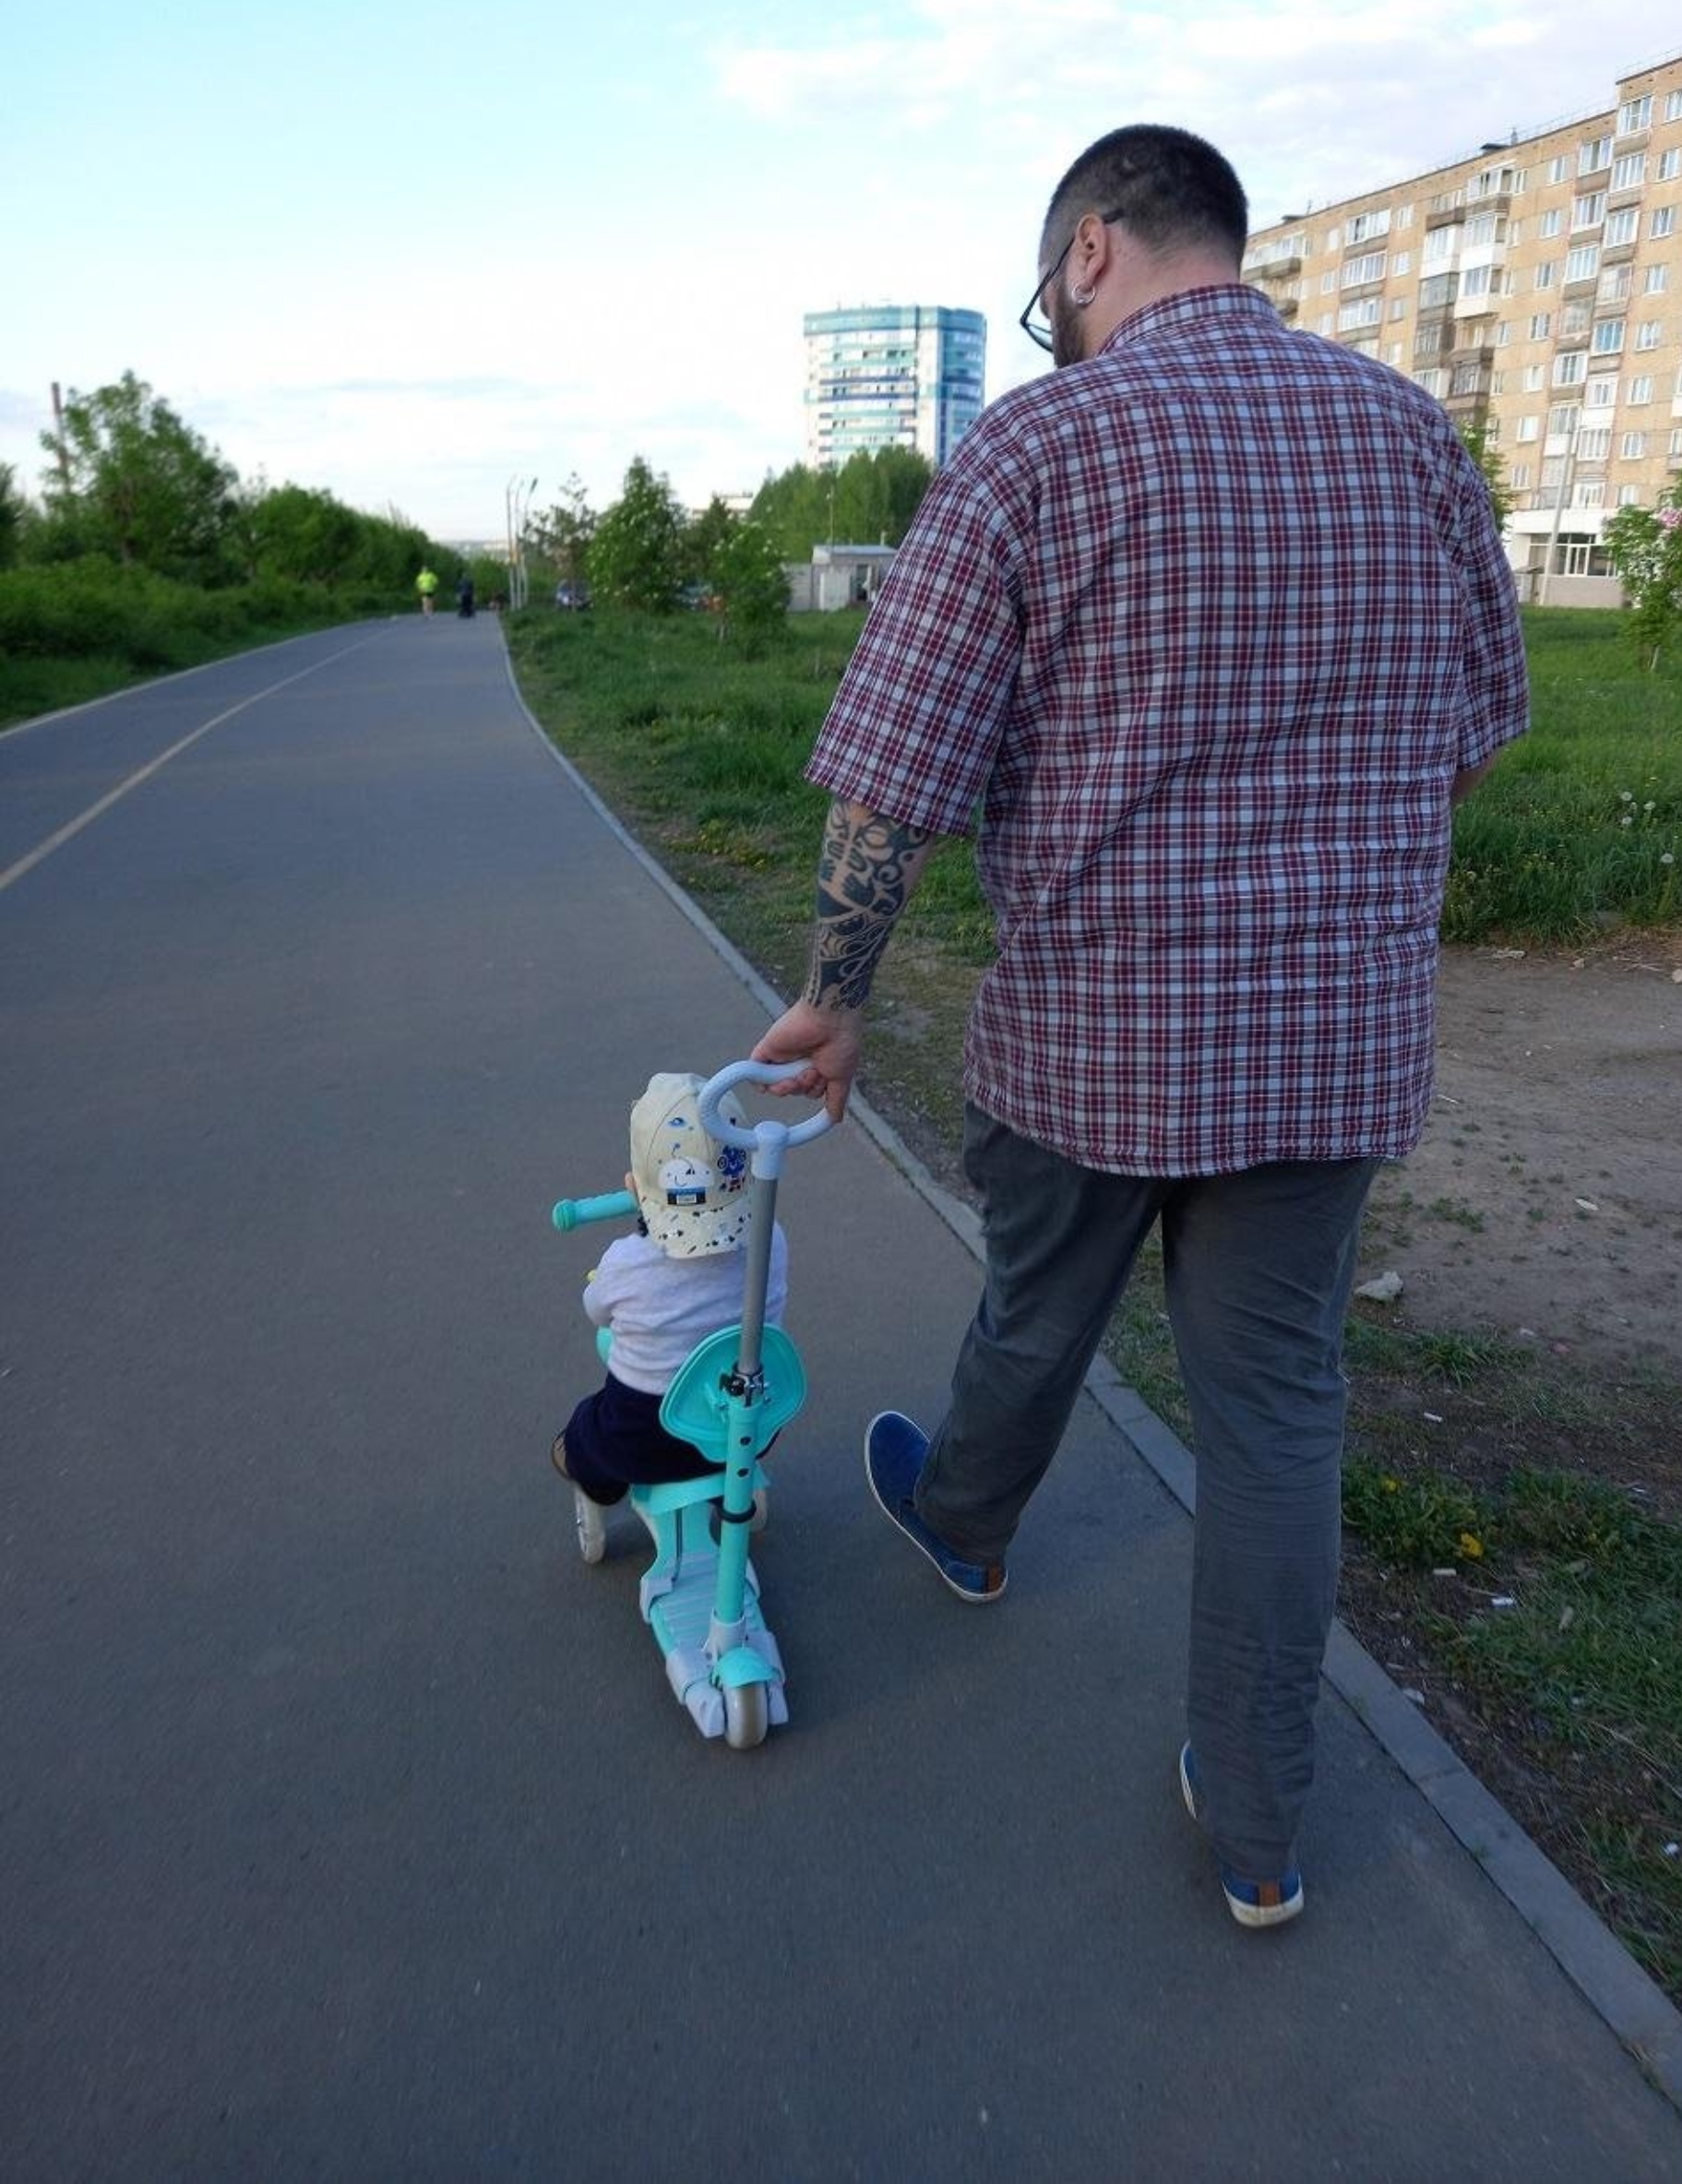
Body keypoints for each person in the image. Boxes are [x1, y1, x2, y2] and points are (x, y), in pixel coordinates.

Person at [755, 124, 1528, 1929]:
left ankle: (963, 1521)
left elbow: (890, 779)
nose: (1055, 327)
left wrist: (834, 997)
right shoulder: (1408, 433)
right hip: (1328, 1046)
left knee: (1041, 1299)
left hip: (1095, 1028)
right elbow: (1475, 728)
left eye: (1050, 297)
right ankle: (1258, 1825)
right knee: (1275, 1412)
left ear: (1092, 249)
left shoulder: (1040, 440)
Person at [551, 1073, 789, 1560]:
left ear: (634, 1188)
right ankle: (732, 1490)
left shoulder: (625, 1262)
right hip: (746, 1429)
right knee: (728, 1392)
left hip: (642, 1439)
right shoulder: (771, 1240)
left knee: (585, 1433)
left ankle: (598, 1491)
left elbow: (597, 1312)